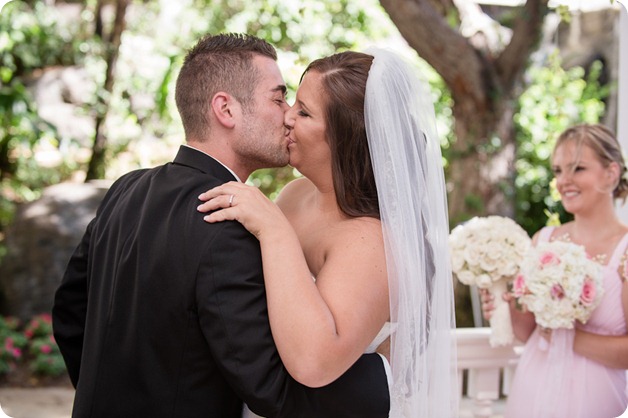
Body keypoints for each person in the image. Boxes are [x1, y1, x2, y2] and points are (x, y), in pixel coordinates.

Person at [51, 33, 391, 418]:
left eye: (298, 107)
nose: (287, 115)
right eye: (279, 99)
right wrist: (388, 380)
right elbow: (266, 383)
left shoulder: (125, 189)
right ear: (226, 110)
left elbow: (69, 312)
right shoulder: (226, 223)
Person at [198, 48, 458, 417]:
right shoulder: (295, 195)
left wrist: (274, 230)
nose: (287, 116)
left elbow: (314, 363)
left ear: (344, 136)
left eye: (304, 111)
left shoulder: (371, 242)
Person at [481, 123, 628, 418]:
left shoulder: (624, 250)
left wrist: (564, 337)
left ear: (611, 173)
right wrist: (507, 309)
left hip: (596, 399)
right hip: (533, 387)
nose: (564, 181)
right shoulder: (544, 241)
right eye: (558, 170)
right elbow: (530, 333)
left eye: (578, 168)